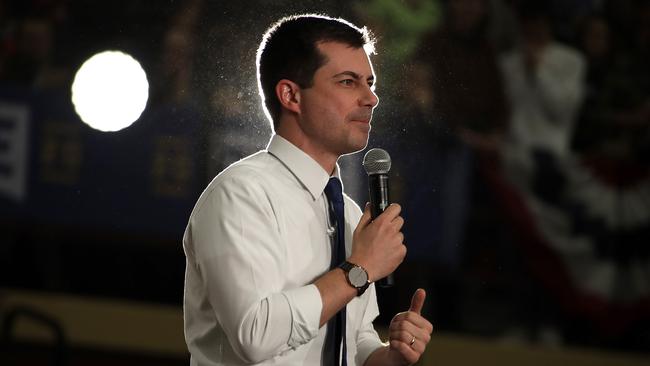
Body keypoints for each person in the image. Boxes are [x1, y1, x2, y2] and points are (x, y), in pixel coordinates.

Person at [182, 14, 433, 366]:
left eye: (370, 82)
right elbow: (254, 334)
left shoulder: (346, 212)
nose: (371, 98)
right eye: (348, 82)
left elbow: (353, 339)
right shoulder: (241, 194)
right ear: (291, 95)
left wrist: (390, 357)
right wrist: (357, 269)